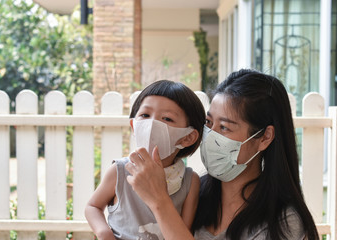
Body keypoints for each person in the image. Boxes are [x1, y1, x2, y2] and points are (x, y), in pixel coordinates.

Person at [126, 69, 319, 240]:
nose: (210, 135)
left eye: (225, 127)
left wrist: (159, 202)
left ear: (264, 138)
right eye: (209, 123)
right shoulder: (192, 194)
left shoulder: (283, 223)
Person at [85, 80, 206, 240]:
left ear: (188, 137)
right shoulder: (120, 170)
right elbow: (92, 206)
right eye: (145, 115)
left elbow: (183, 232)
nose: (151, 123)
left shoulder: (190, 181)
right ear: (134, 125)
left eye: (167, 119)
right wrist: (104, 233)